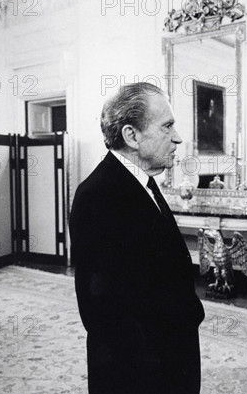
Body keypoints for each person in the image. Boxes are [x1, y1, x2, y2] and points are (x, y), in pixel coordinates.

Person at [70, 82, 205, 394]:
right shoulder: (98, 196)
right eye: (167, 126)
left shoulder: (142, 182)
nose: (178, 137)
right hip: (141, 374)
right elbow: (106, 312)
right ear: (131, 136)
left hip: (167, 357)